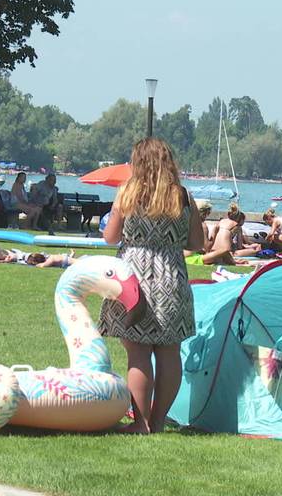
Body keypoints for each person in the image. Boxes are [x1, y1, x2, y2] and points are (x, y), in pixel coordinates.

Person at [101, 137, 203, 434]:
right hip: (172, 278)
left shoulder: (127, 193)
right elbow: (197, 243)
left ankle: (140, 423)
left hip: (133, 279)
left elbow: (110, 236)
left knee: (138, 352)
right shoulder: (182, 196)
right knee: (169, 352)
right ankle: (158, 422)